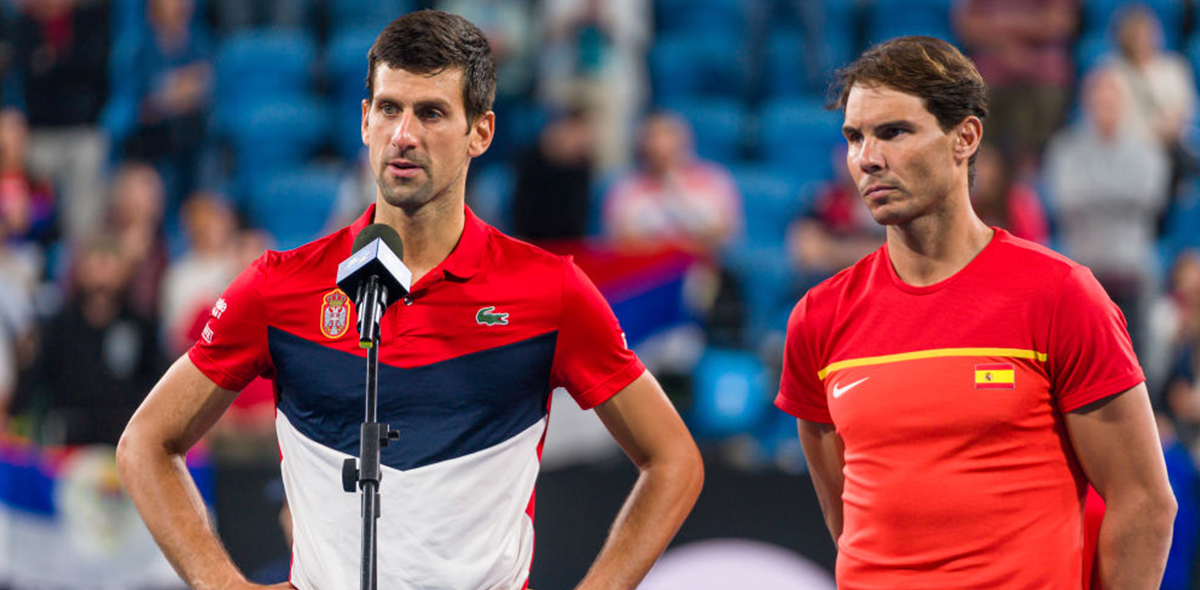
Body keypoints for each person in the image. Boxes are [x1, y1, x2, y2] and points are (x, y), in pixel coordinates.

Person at [117, 10, 703, 590]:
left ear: (481, 131)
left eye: (431, 113)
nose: (404, 135)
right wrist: (223, 585)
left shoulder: (550, 291)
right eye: (390, 108)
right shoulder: (280, 285)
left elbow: (673, 461)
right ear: (365, 120)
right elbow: (145, 443)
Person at [774, 36, 1175, 589]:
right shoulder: (817, 319)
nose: (867, 158)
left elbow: (1145, 504)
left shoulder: (1060, 295)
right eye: (854, 137)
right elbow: (846, 516)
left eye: (893, 131)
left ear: (965, 137)